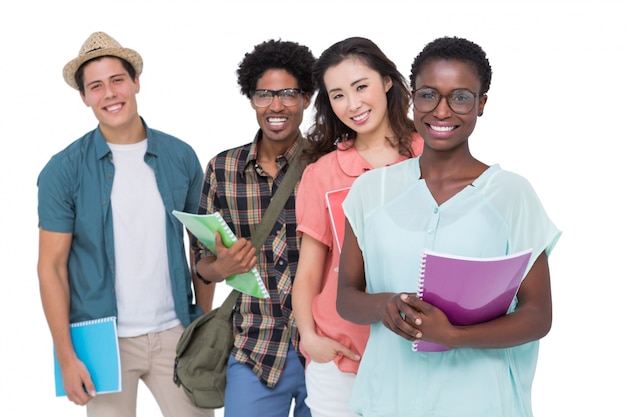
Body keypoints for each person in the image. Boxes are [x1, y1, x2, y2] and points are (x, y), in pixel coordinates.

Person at [336, 36, 561, 417]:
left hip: (479, 403)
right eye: (428, 95)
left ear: (481, 104)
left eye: (460, 97)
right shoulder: (370, 191)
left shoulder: (511, 194)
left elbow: (538, 315)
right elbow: (347, 297)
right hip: (389, 400)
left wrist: (455, 336)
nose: (441, 111)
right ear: (412, 100)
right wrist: (384, 305)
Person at [37, 32, 213, 417]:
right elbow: (50, 267)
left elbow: (202, 243)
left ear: (136, 82)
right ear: (84, 97)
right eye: (95, 86)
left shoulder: (180, 156)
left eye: (117, 80)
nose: (109, 94)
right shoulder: (62, 170)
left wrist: (200, 322)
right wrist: (67, 358)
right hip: (102, 341)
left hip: (175, 332)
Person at [292, 37, 423, 417]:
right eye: (338, 95)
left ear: (386, 81)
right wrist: (311, 339)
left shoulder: (429, 155)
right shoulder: (322, 174)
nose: (353, 105)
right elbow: (310, 272)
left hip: (415, 350)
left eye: (361, 86)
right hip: (340, 356)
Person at [192, 39, 316, 417]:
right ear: (251, 99)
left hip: (324, 348)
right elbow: (201, 263)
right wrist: (221, 268)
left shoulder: (328, 164)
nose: (276, 106)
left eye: (288, 94)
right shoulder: (222, 168)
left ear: (307, 98)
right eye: (264, 94)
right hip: (255, 348)